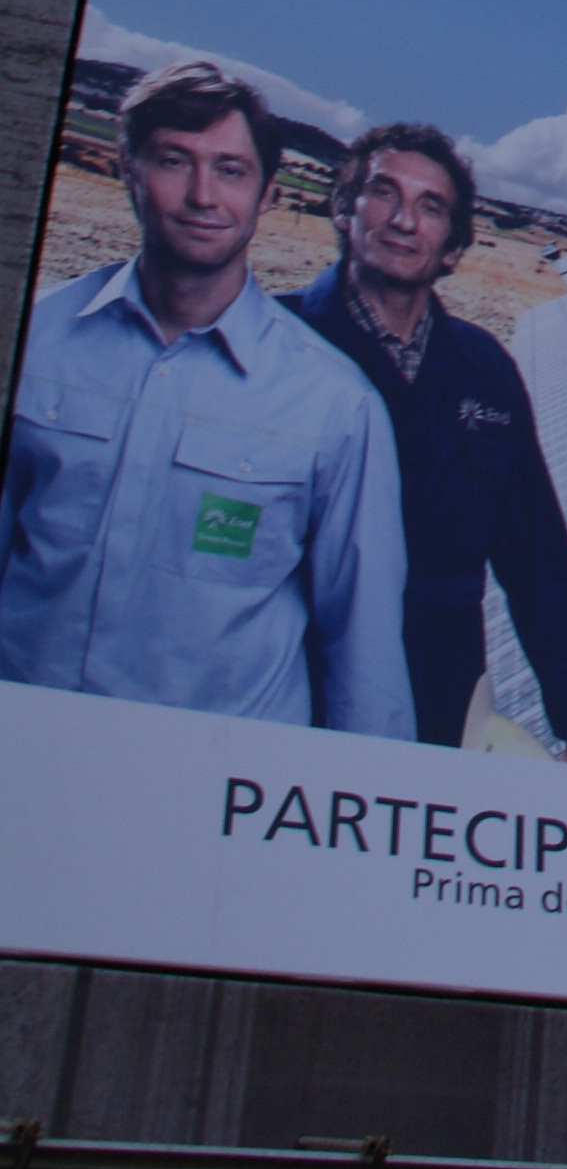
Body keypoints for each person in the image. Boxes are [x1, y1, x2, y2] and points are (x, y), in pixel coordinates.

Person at [0, 60, 412, 733]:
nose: (203, 196)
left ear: (267, 195)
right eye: (173, 161)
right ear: (128, 170)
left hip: (212, 778)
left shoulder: (335, 405)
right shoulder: (33, 339)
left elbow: (365, 658)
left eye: (231, 170)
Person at [292, 122, 567, 762]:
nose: (404, 221)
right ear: (343, 210)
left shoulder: (483, 368)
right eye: (384, 193)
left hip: (439, 695)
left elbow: (537, 553)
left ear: (454, 249)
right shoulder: (276, 342)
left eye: (431, 207)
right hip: (294, 685)